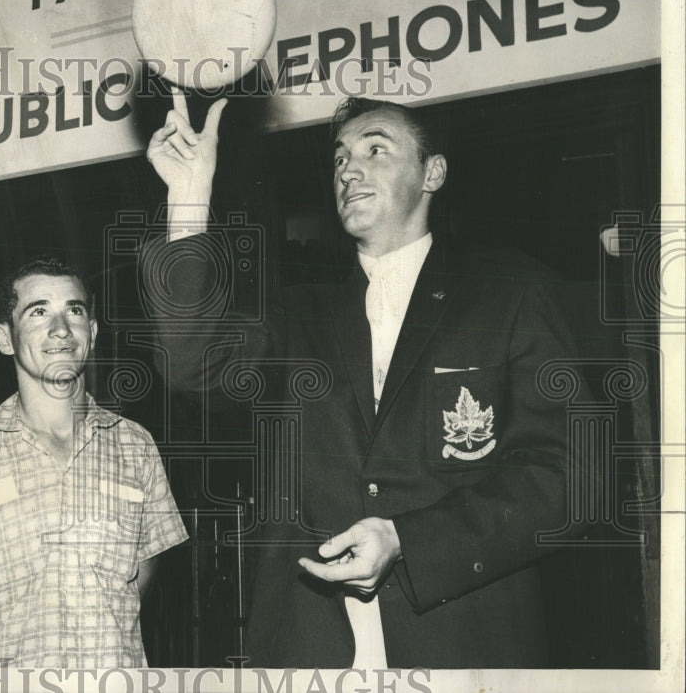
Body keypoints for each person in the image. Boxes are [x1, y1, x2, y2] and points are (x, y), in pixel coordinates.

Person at [143, 92, 580, 668]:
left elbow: (566, 480)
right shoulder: (295, 317)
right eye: (341, 156)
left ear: (433, 173)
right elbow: (190, 362)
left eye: (377, 149)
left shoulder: (512, 295)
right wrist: (189, 196)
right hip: (309, 653)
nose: (350, 167)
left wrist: (408, 541)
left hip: (461, 647)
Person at [0, 257, 188, 667]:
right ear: (5, 338)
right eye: (38, 312)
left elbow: (144, 570)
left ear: (91, 333)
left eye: (74, 310)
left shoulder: (135, 445)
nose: (60, 329)